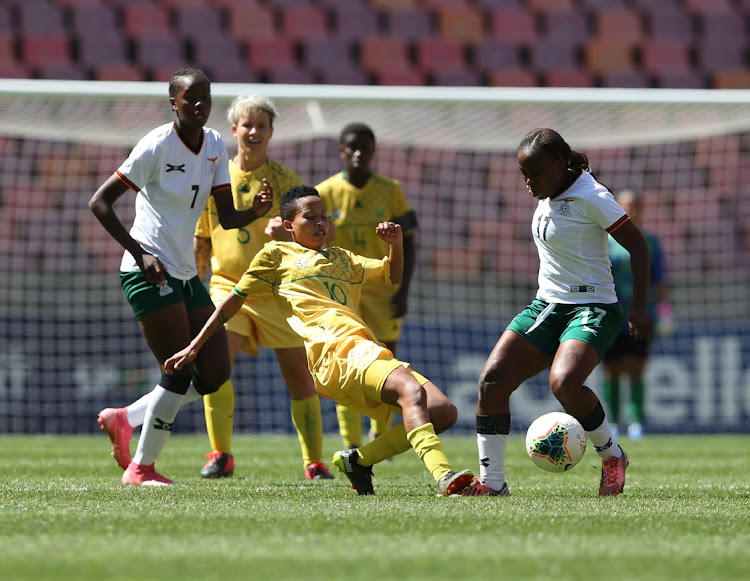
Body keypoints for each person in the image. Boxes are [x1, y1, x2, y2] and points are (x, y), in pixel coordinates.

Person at [165, 186, 475, 496]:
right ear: (288, 226)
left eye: (324, 217)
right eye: (310, 217)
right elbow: (233, 301)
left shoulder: (342, 258)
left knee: (443, 410)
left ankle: (360, 460)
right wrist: (196, 344)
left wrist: (396, 245)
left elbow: (392, 275)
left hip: (362, 348)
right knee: (411, 390)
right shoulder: (276, 256)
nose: (320, 223)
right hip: (335, 353)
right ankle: (444, 476)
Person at [91, 68, 271, 486]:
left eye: (205, 97)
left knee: (214, 371)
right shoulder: (156, 144)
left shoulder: (214, 144)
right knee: (177, 371)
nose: (199, 104)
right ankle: (140, 469)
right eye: (190, 98)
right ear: (174, 103)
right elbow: (100, 203)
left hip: (186, 274)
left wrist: (256, 211)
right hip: (147, 271)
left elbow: (226, 217)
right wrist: (141, 253)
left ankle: (126, 418)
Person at [456, 128, 653, 498]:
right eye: (524, 175)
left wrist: (639, 307)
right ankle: (493, 484)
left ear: (561, 164)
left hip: (593, 306)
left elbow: (638, 246)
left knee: (563, 384)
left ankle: (612, 456)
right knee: (491, 382)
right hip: (547, 305)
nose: (529, 183)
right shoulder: (550, 189)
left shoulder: (592, 195)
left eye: (536, 174)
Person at [192, 94, 332, 480]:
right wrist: (194, 280)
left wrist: (285, 237)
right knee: (216, 367)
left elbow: (315, 238)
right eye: (247, 125)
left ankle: (314, 462)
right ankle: (220, 454)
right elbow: (203, 237)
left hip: (276, 291)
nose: (254, 132)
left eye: (262, 126)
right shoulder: (214, 176)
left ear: (271, 132)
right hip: (227, 286)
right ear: (234, 129)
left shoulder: (287, 182)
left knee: (299, 378)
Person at [316, 122, 418, 450]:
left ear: (374, 151)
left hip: (383, 291)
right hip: (343, 295)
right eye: (352, 147)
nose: (359, 153)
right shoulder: (325, 193)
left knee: (386, 365)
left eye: (365, 147)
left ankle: (378, 437)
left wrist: (402, 290)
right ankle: (350, 442)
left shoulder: (391, 190)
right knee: (344, 367)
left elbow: (410, 243)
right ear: (342, 151)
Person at [602, 187, 672, 441]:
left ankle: (636, 423)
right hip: (611, 316)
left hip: (641, 315)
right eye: (626, 205)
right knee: (611, 370)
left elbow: (660, 280)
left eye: (635, 206)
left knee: (636, 368)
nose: (631, 210)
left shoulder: (651, 243)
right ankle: (612, 421)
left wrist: (665, 312)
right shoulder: (605, 241)